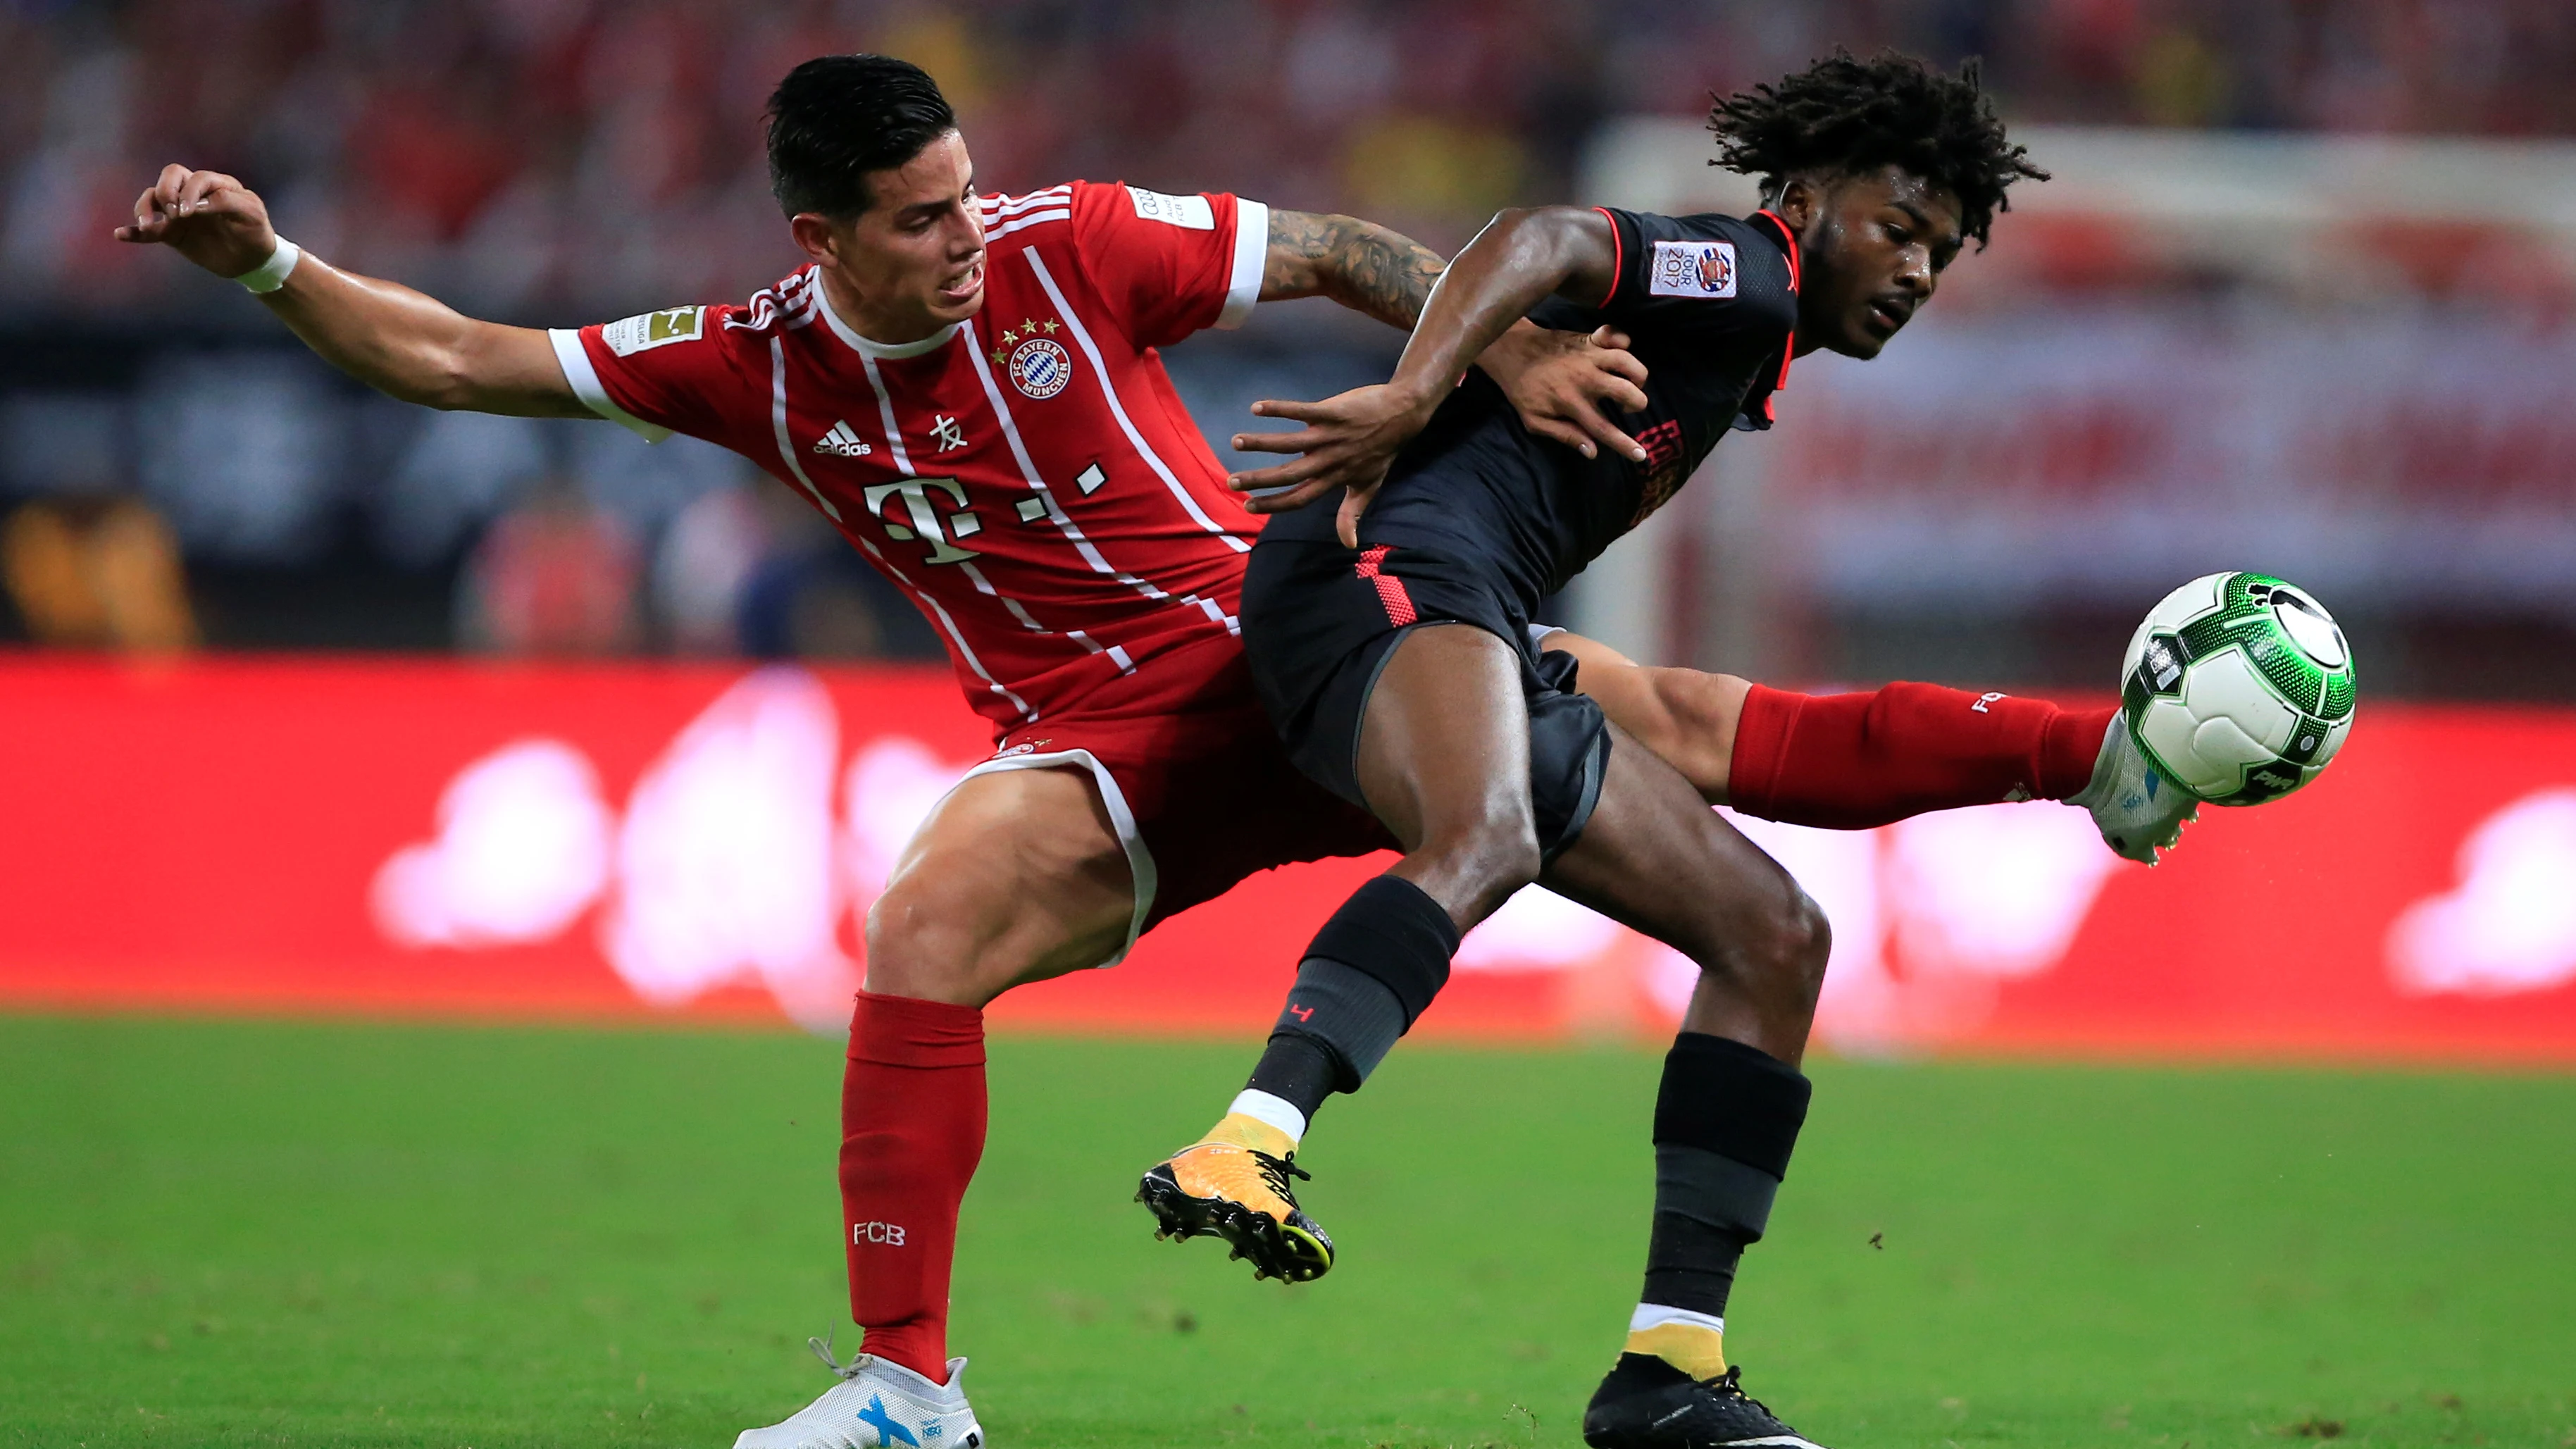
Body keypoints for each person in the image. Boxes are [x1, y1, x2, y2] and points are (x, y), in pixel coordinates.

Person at [116, 51, 2183, 1449]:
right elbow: (465, 357)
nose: (967, 229)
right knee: (930, 915)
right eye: (920, 217)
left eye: (963, 189)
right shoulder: (743, 365)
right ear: (822, 235)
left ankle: (2103, 758)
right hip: (1118, 745)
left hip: (1275, 633)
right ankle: (907, 1392)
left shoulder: (1080, 238)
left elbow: (1352, 249)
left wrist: (1495, 353)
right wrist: (275, 268)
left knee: (1682, 736)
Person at [1137, 51, 2133, 1449]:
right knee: (1485, 833)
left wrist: (2086, 753)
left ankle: (1669, 1367)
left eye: (1940, 253)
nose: (1913, 268)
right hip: (1387, 565)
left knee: (1771, 930)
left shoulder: (1737, 359)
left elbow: (1779, 742)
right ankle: (1248, 1138)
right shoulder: (1754, 272)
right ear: (1808, 195)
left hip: (1468, 604)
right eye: (1895, 227)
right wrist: (1421, 394)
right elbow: (1535, 239)